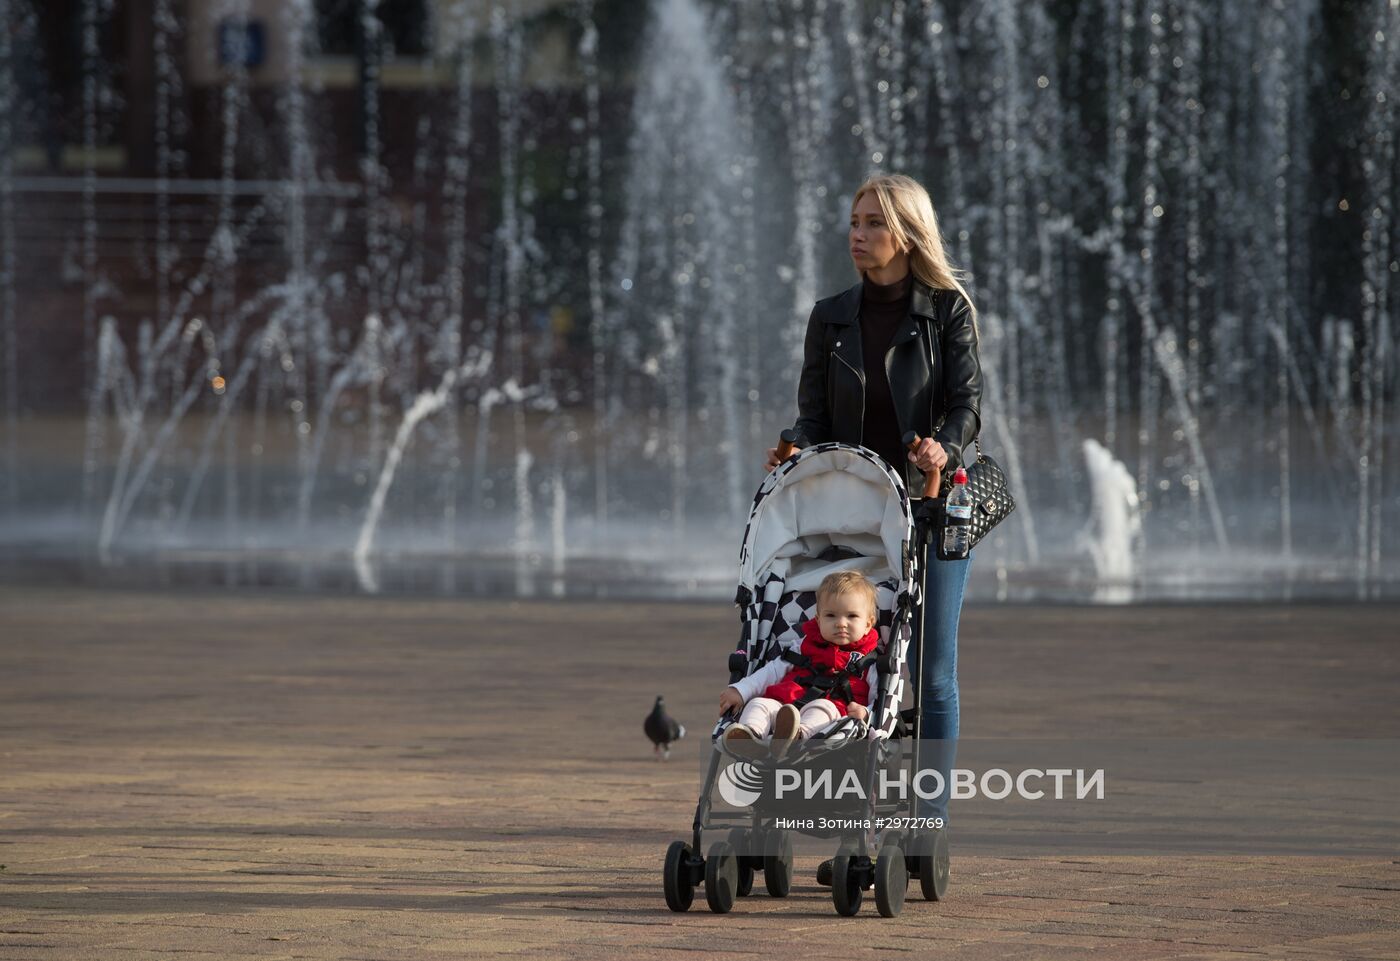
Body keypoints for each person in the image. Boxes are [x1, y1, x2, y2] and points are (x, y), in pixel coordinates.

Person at [763, 173, 982, 828]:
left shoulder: (947, 310)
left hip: (932, 508)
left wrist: (942, 445)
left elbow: (968, 406)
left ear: (907, 233)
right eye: (854, 221)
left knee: (928, 668)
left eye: (873, 223)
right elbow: (813, 415)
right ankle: (846, 807)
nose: (857, 235)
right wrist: (795, 447)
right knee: (851, 661)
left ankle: (929, 816)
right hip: (853, 514)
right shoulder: (830, 316)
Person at [717, 571, 880, 757]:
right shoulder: (802, 646)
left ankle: (796, 737)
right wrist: (741, 690)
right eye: (831, 616)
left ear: (868, 624)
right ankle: (751, 738)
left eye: (851, 616)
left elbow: (880, 698)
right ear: (818, 621)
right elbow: (771, 672)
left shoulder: (869, 660)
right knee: (759, 704)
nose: (841, 623)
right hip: (785, 705)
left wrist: (866, 713)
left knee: (822, 708)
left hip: (831, 714)